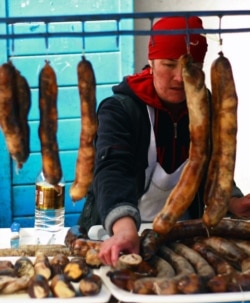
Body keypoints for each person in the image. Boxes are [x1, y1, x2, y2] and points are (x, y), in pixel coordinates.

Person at [78, 16, 250, 266]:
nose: (180, 78)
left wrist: (232, 201)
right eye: (169, 64)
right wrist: (123, 228)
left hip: (182, 239)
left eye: (192, 67)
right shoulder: (120, 109)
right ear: (151, 62)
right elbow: (113, 169)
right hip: (117, 235)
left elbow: (215, 166)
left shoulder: (208, 106)